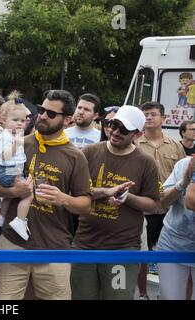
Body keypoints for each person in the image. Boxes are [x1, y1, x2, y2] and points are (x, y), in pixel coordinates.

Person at [0, 90, 92, 300]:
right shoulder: (19, 142)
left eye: (51, 114)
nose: (43, 116)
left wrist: (64, 199)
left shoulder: (75, 156)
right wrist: (13, 191)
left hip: (54, 247)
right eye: (41, 110)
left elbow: (85, 204)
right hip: (13, 243)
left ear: (68, 119)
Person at [71, 105, 161, 300]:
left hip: (122, 248)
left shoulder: (146, 162)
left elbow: (154, 204)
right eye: (113, 124)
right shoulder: (90, 152)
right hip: (85, 243)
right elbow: (76, 192)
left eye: (124, 129)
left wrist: (127, 197)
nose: (116, 132)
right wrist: (107, 191)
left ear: (137, 134)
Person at [135, 101, 186, 299]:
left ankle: (165, 293)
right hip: (144, 208)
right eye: (145, 114)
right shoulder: (135, 143)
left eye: (153, 114)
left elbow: (182, 176)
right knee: (143, 254)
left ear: (162, 118)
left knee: (168, 258)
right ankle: (143, 293)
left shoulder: (175, 145)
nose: (148, 117)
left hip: (170, 210)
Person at [155, 155, 195, 300]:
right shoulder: (185, 164)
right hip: (173, 241)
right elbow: (163, 202)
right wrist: (183, 183)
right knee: (170, 296)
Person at [0, 100, 32, 240]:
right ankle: (20, 220)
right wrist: (16, 145)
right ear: (3, 120)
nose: (20, 123)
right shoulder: (6, 136)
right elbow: (5, 155)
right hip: (7, 171)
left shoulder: (13, 135)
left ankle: (2, 217)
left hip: (9, 170)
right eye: (15, 120)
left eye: (23, 120)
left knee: (9, 196)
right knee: (28, 191)